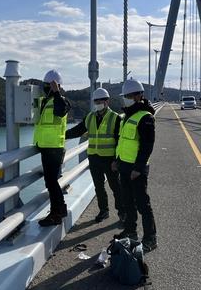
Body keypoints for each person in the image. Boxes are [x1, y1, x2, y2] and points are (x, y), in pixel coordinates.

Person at [65, 87, 125, 223]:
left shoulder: (115, 118)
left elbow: (120, 141)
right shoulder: (90, 117)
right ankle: (104, 211)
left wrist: (117, 160)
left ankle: (122, 212)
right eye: (96, 101)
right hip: (94, 157)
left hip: (110, 159)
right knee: (98, 186)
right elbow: (77, 130)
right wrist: (62, 135)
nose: (98, 103)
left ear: (107, 101)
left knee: (115, 186)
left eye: (101, 100)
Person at [113, 78, 158, 253]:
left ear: (139, 96)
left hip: (136, 170)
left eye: (129, 95)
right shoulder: (126, 116)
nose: (126, 98)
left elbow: (147, 145)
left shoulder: (145, 117)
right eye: (125, 96)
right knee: (127, 202)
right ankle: (130, 231)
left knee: (142, 204)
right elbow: (122, 141)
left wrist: (138, 168)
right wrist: (117, 160)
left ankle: (150, 238)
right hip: (124, 166)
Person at [34, 70, 71, 227]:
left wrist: (56, 92)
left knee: (51, 182)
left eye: (47, 86)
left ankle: (56, 214)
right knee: (51, 182)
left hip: (54, 148)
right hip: (46, 147)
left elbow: (61, 110)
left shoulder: (61, 100)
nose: (45, 88)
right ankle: (60, 209)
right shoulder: (45, 101)